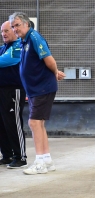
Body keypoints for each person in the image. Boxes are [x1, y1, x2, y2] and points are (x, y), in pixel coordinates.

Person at [9, 12, 65, 175]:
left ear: (27, 24)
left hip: (42, 88)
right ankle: (47, 160)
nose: (15, 28)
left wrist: (55, 72)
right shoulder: (23, 40)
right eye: (13, 26)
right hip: (34, 90)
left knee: (34, 123)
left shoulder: (34, 37)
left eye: (17, 25)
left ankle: (40, 162)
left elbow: (49, 59)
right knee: (38, 123)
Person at [0, 21, 27, 168]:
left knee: (13, 123)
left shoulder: (17, 47)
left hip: (13, 91)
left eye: (6, 31)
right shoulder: (3, 48)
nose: (3, 34)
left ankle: (20, 156)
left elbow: (6, 60)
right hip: (1, 91)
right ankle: (7, 155)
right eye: (2, 32)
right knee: (2, 124)